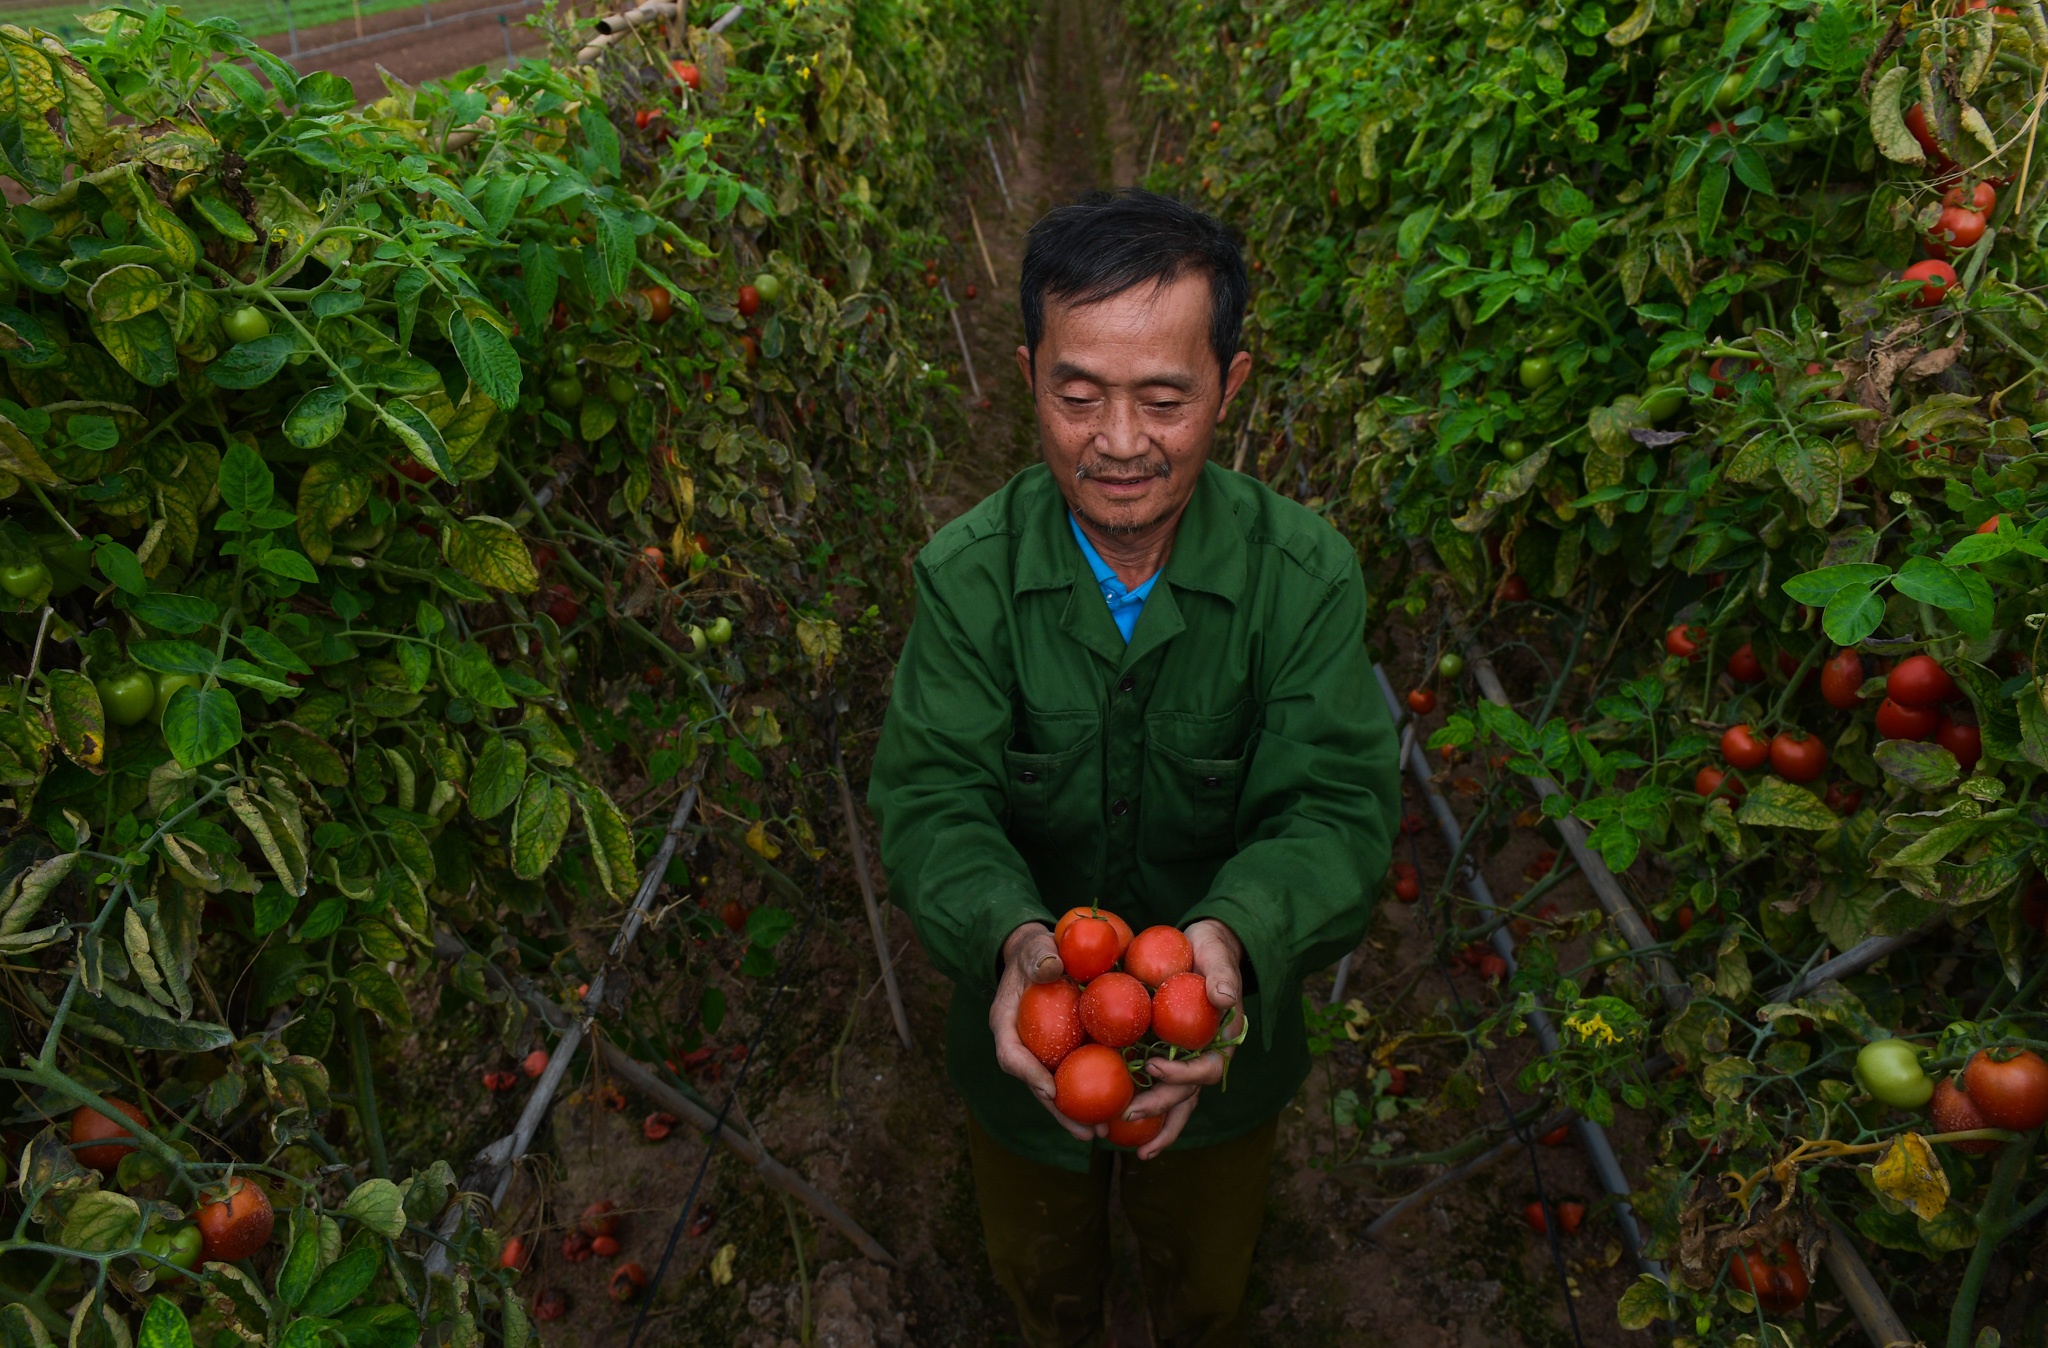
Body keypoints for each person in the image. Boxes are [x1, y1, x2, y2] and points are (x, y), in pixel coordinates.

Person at [866, 189, 1401, 1347]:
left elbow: (1336, 809)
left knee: (1201, 1281)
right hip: (1027, 1058)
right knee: (1040, 1274)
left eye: (1162, 398)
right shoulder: (966, 580)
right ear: (1027, 378)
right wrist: (1014, 942)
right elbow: (929, 798)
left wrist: (1229, 944)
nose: (1117, 441)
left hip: (1227, 1072)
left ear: (1230, 384)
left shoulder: (1300, 579)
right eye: (1077, 395)